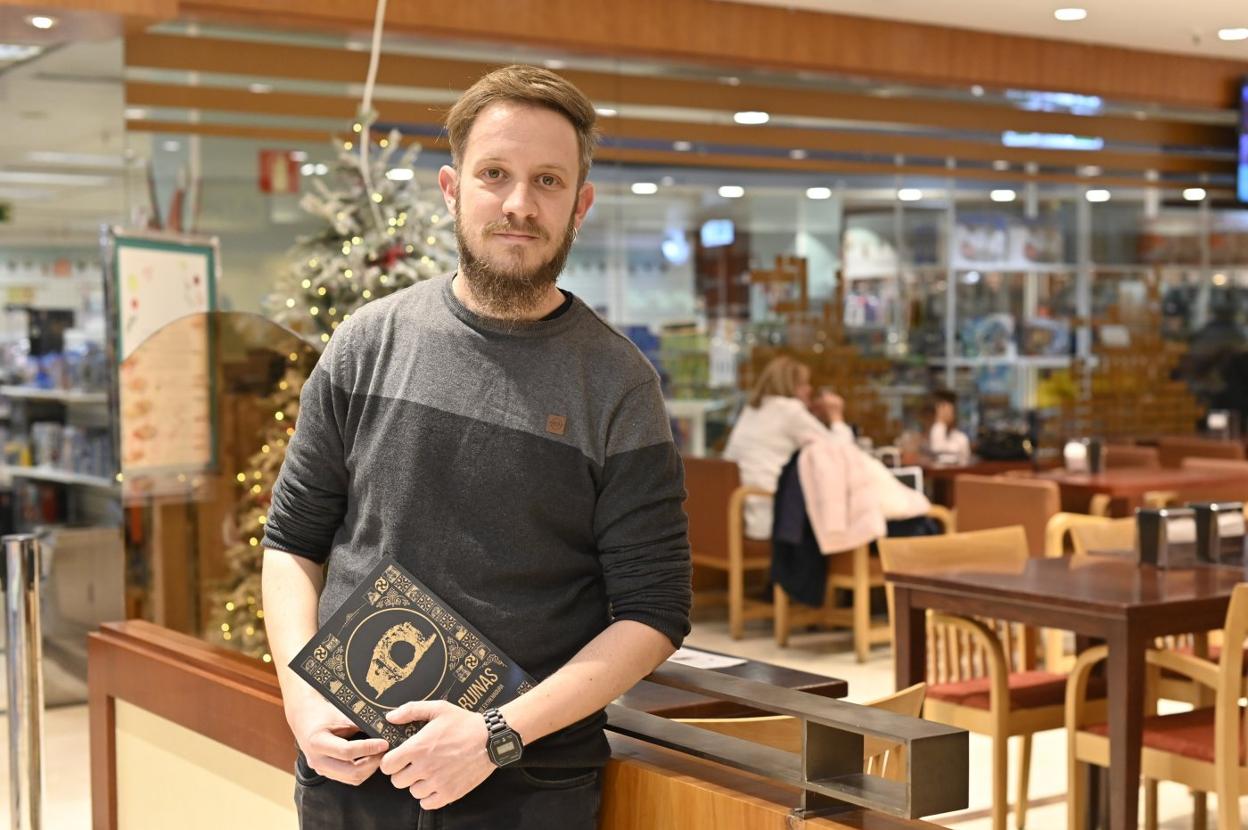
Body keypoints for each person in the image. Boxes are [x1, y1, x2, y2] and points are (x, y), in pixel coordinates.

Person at [261, 65, 692, 830]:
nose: (519, 204)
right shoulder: (367, 343)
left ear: (580, 204)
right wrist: (301, 698)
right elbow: (292, 542)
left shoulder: (619, 384)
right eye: (495, 174)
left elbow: (654, 612)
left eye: (548, 181)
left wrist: (496, 733)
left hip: (529, 785)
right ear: (452, 189)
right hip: (351, 771)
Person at [722, 356, 854, 539]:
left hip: (738, 514)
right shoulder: (791, 410)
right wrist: (836, 416)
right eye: (804, 384)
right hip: (770, 514)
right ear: (790, 386)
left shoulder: (753, 409)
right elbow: (842, 453)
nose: (810, 390)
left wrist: (810, 416)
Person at [925, 389, 972, 465]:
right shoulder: (919, 438)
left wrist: (940, 423)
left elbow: (937, 448)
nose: (946, 413)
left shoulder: (960, 438)